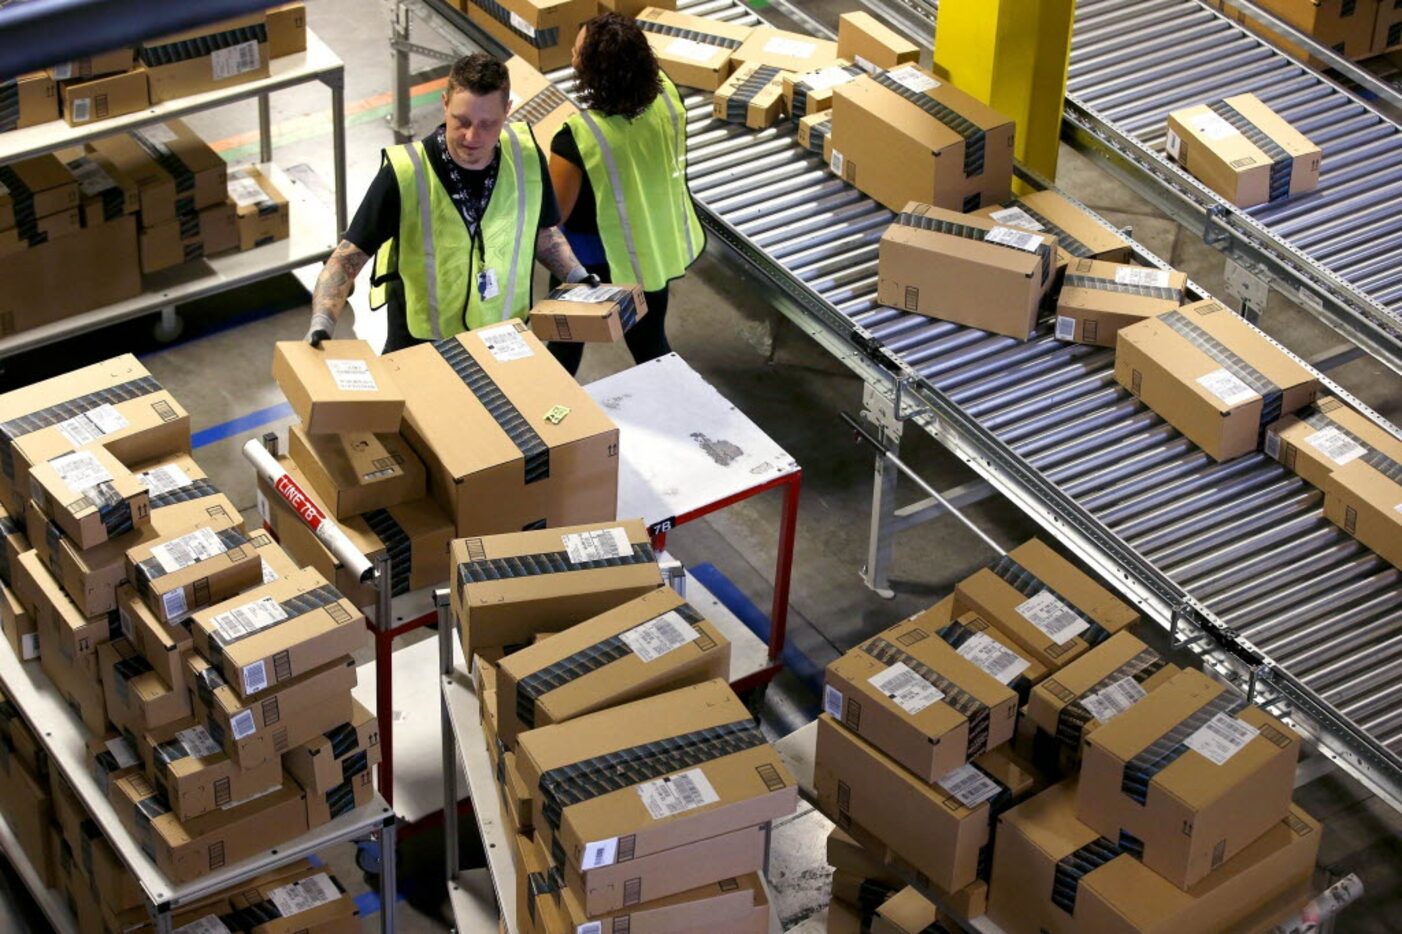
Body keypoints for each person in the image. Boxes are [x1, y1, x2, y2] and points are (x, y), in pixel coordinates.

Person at [305, 53, 595, 352]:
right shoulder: (406, 174)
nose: (472, 136)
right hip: (423, 344)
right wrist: (322, 324)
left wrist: (578, 276)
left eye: (487, 124)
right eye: (462, 121)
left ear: (507, 110)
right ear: (445, 104)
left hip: (502, 338)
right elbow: (346, 258)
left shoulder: (525, 157)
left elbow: (543, 232)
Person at [546, 12, 704, 375]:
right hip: (651, 249)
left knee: (563, 347)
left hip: (592, 262)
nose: (572, 55)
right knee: (651, 346)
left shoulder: (578, 138)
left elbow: (556, 216)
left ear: (593, 72)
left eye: (577, 52)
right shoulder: (665, 95)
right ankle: (682, 411)